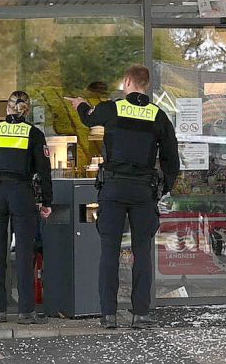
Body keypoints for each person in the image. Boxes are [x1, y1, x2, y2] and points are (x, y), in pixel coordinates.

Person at [66, 65, 180, 329]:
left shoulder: (113, 108)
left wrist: (82, 105)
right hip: (143, 192)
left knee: (109, 250)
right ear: (147, 85)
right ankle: (140, 313)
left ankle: (108, 314)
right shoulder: (158, 116)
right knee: (142, 251)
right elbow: (171, 159)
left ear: (128, 81)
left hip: (114, 189)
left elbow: (88, 119)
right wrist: (163, 188)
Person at [0, 91, 53, 324]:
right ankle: (26, 311)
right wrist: (46, 202)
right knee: (25, 254)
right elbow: (44, 171)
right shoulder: (33, 134)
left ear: (7, 108)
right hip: (22, 193)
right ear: (27, 110)